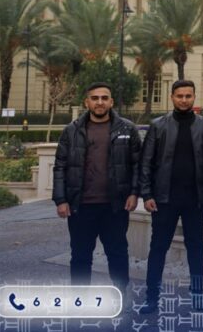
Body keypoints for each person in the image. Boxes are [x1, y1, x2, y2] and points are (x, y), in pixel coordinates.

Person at [139, 80, 203, 314]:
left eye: (188, 96)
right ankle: (151, 298)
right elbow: (146, 162)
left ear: (194, 97)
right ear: (172, 97)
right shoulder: (158, 125)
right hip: (164, 199)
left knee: (196, 249)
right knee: (158, 248)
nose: (184, 100)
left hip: (196, 199)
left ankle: (198, 294)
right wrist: (146, 194)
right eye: (180, 96)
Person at [52, 82, 143, 292]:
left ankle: (121, 294)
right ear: (87, 102)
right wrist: (61, 199)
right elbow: (60, 166)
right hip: (80, 206)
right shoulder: (71, 130)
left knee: (117, 253)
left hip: (115, 206)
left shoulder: (127, 128)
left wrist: (134, 193)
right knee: (80, 255)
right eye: (95, 98)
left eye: (104, 98)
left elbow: (137, 164)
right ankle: (80, 298)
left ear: (111, 102)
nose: (99, 102)